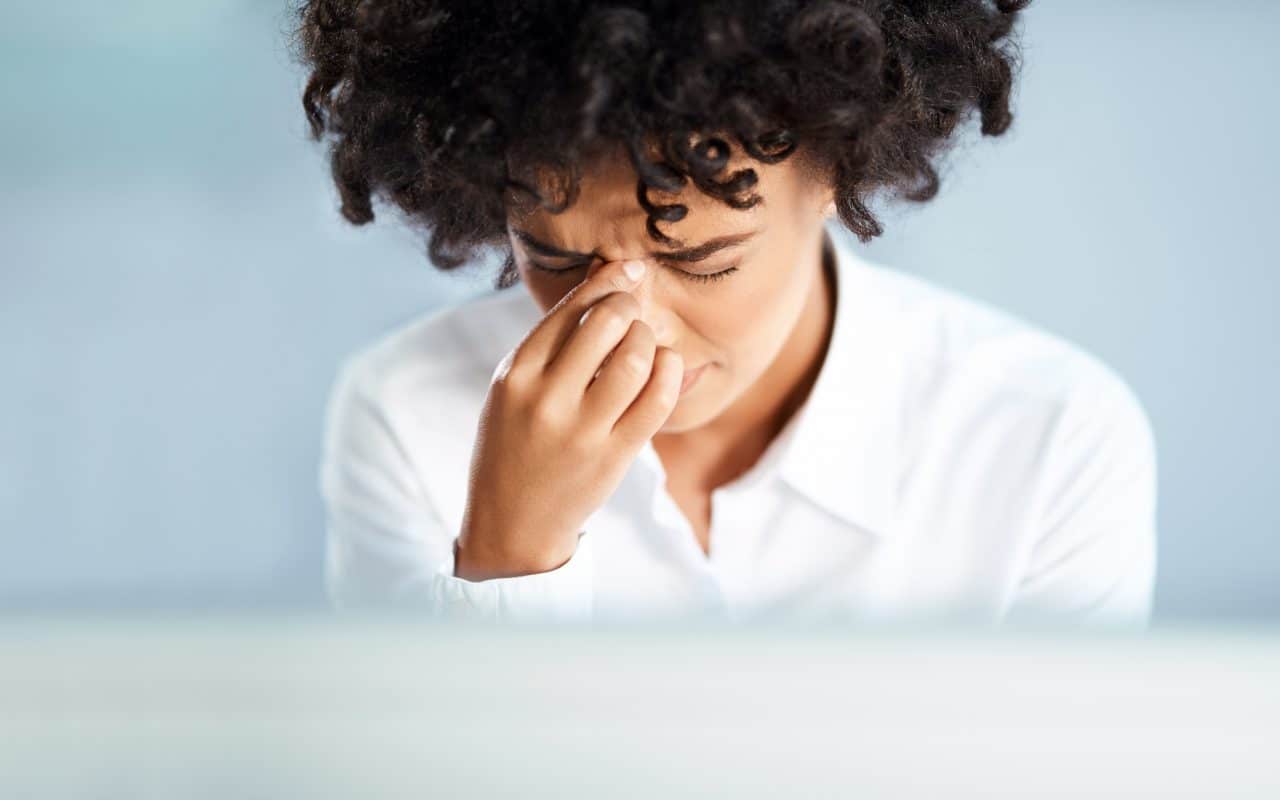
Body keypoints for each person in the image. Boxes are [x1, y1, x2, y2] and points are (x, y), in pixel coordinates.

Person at [294, 0, 1157, 626]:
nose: (633, 328)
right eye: (554, 260)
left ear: (833, 171)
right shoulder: (405, 415)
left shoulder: (1050, 442)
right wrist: (510, 556)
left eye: (700, 260)